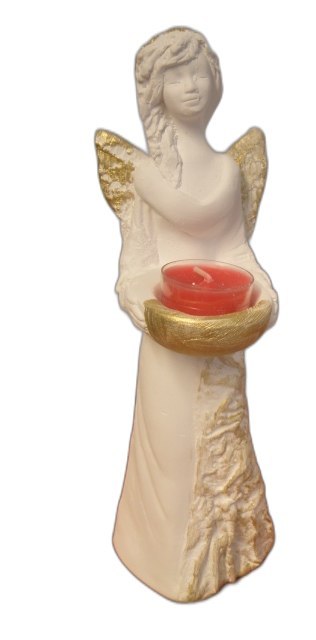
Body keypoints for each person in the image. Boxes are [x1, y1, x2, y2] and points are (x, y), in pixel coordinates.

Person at [96, 27, 278, 602]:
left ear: (216, 81)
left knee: (223, 445)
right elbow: (137, 263)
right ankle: (161, 558)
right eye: (175, 76)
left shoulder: (227, 171)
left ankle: (227, 551)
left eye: (199, 72)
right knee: (174, 452)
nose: (191, 85)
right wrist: (151, 306)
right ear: (155, 90)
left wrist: (263, 291)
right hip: (169, 337)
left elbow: (233, 252)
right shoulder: (144, 176)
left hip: (222, 334)